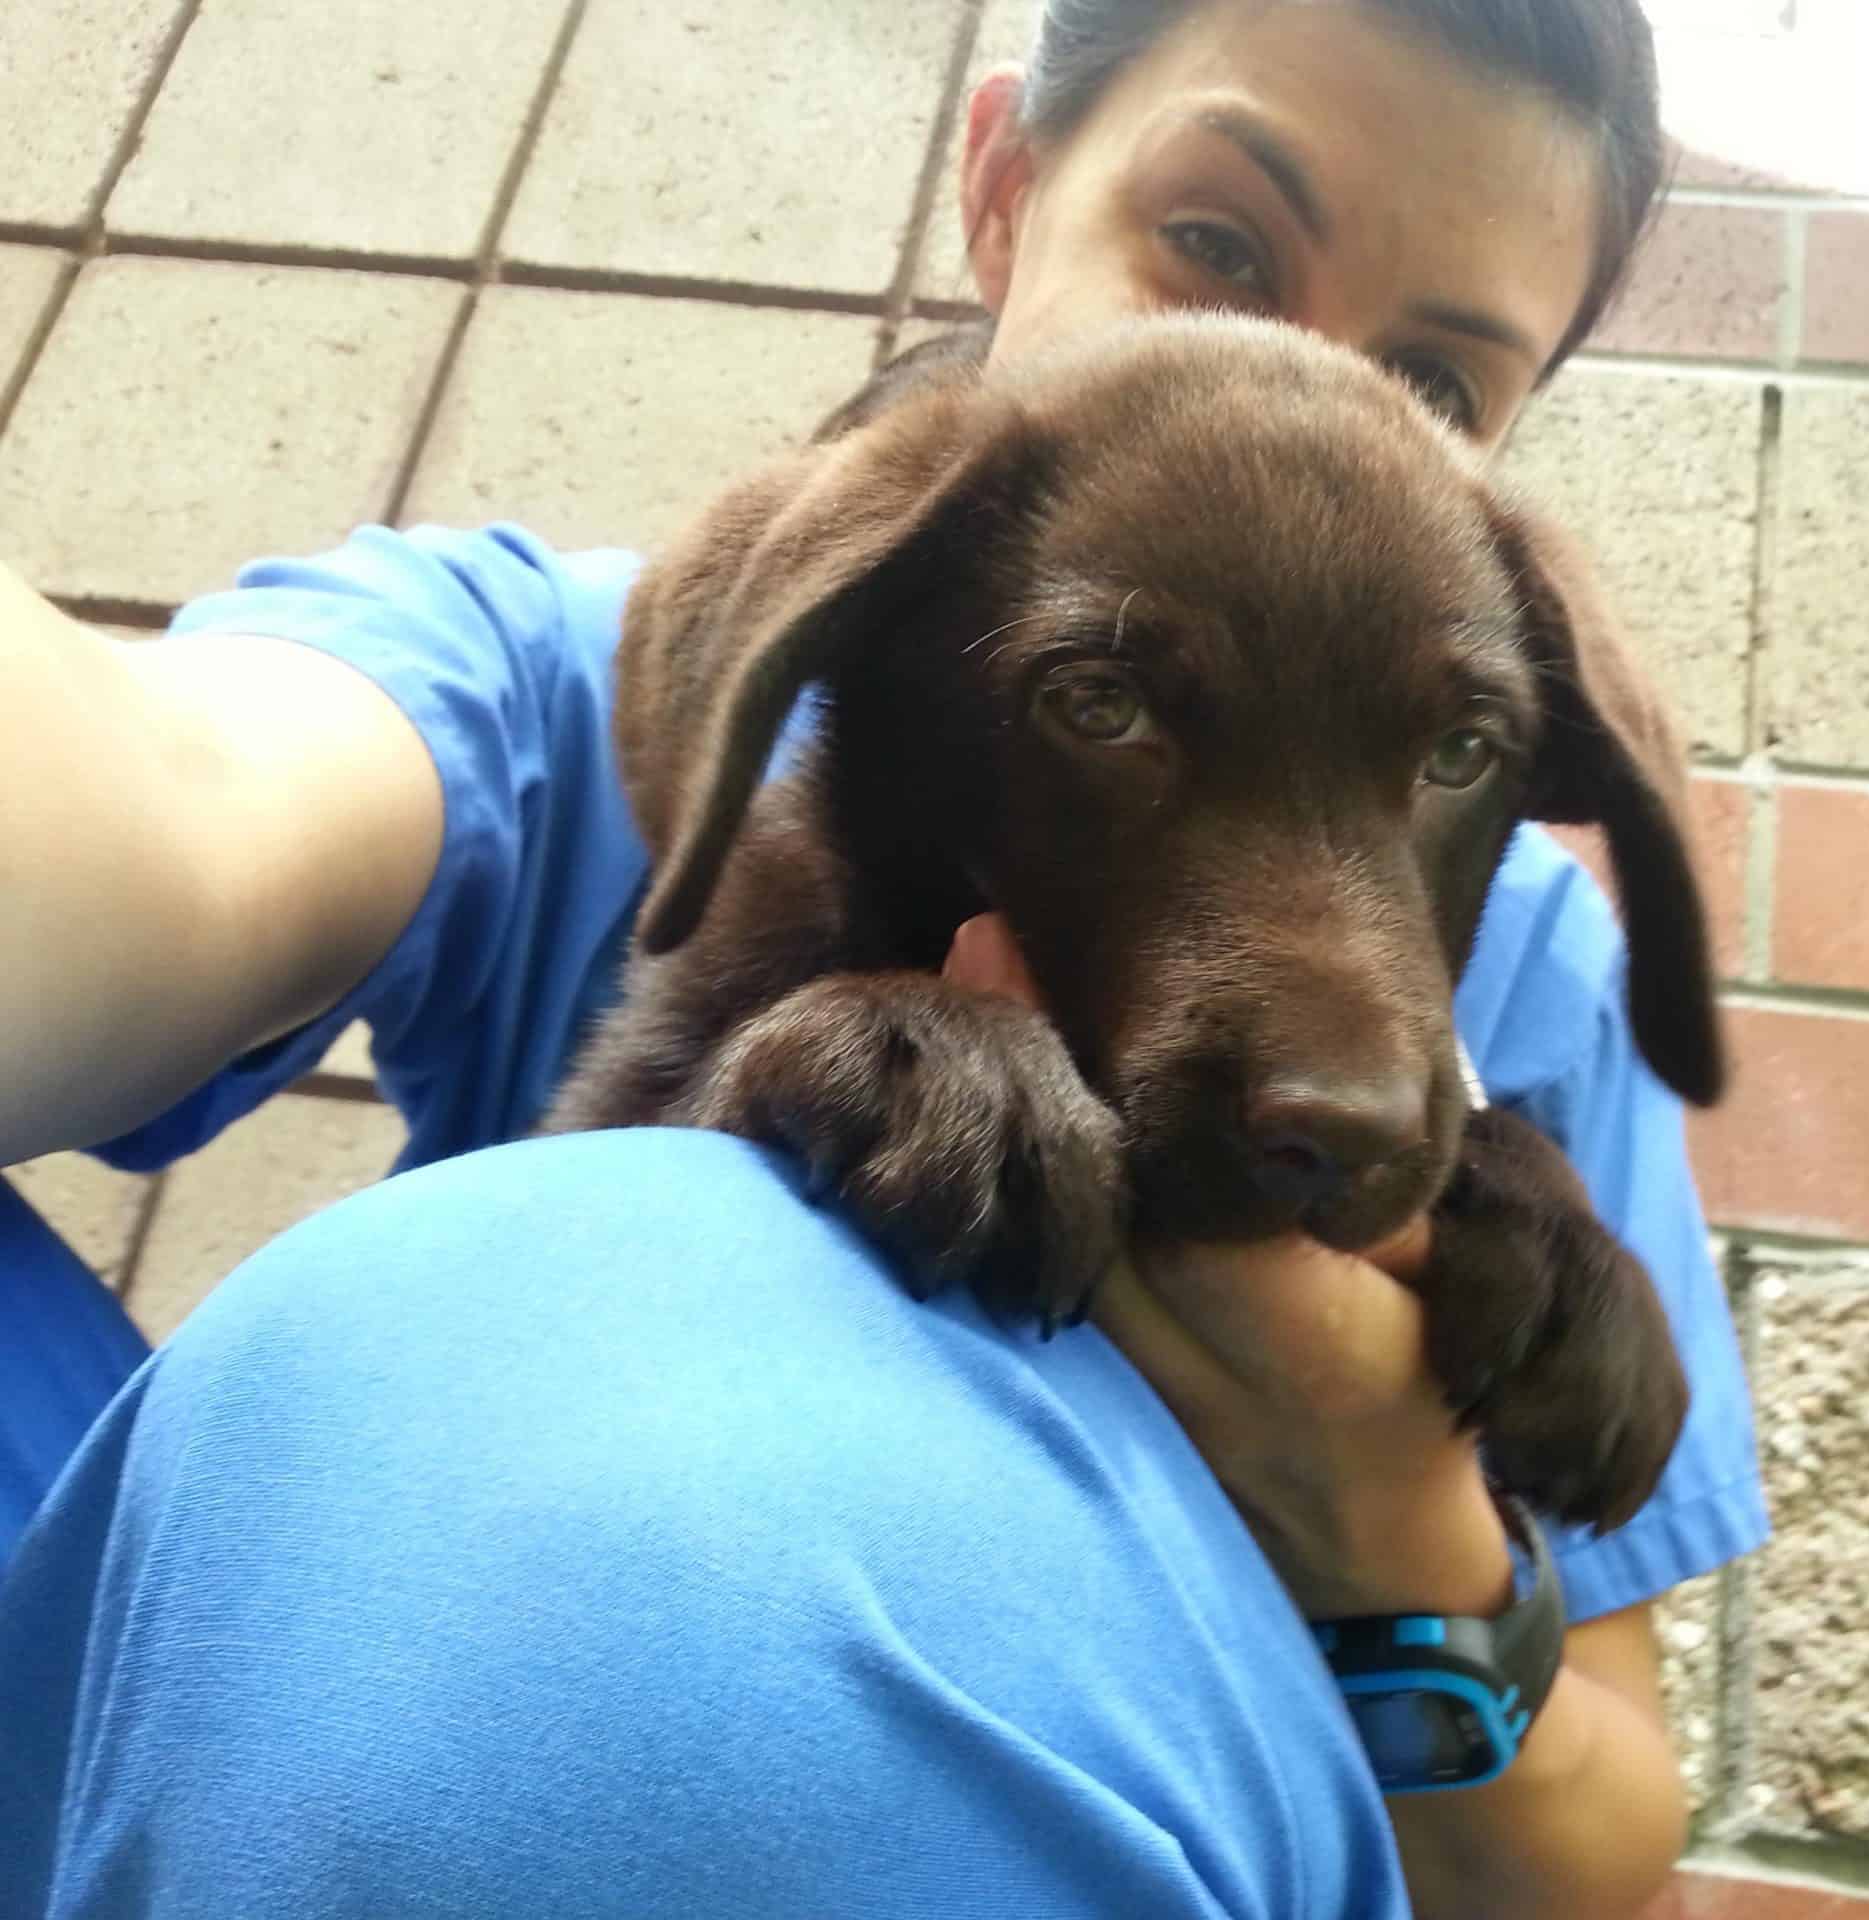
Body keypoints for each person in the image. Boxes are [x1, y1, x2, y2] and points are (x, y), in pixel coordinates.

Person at [0, 3, 1765, 1914]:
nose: (1286, 387)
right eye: (1223, 247)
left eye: (1434, 376)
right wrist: (820, 1048)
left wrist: (1399, 1533)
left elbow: (1599, 1864)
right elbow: (179, 795)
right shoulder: (612, 676)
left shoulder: (1533, 994)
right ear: (1007, 189)